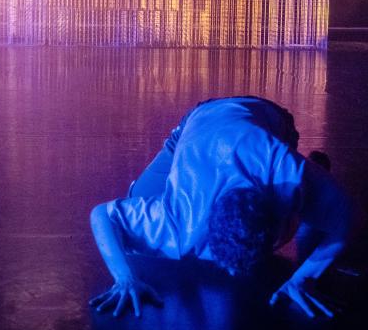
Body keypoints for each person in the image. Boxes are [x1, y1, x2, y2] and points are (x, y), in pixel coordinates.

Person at [89, 96, 354, 318]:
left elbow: (352, 217)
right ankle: (318, 183)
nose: (229, 273)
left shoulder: (286, 173)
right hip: (204, 118)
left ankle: (318, 174)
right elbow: (101, 215)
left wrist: (304, 277)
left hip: (268, 118)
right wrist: (124, 278)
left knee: (303, 206)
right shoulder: (181, 218)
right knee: (137, 197)